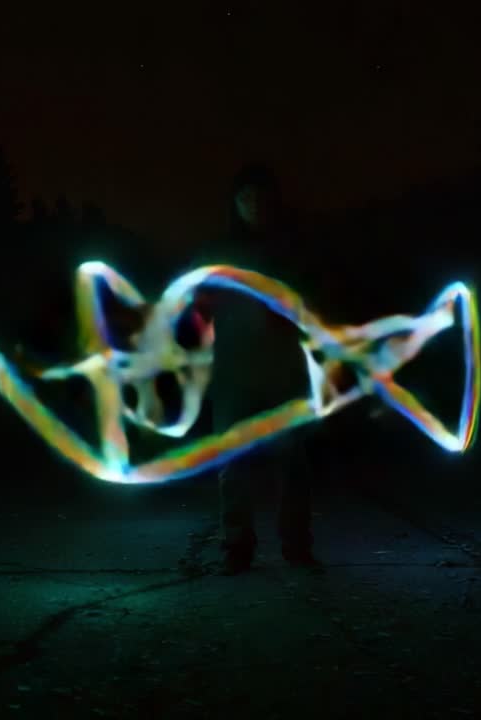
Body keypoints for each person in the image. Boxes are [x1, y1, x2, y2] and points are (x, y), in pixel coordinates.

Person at [196, 164, 320, 575]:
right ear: (234, 203)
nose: (254, 204)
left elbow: (308, 301)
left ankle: (297, 546)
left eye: (261, 196)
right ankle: (237, 548)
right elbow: (200, 306)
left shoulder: (292, 248)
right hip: (234, 370)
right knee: (233, 463)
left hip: (282, 368)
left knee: (292, 461)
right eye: (245, 197)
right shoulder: (218, 251)